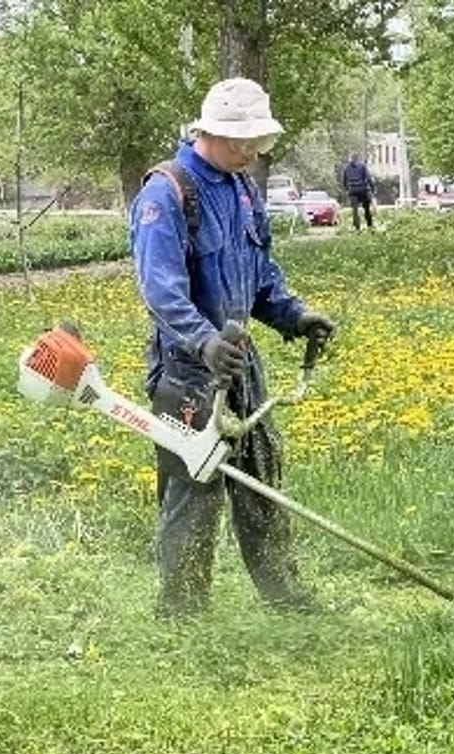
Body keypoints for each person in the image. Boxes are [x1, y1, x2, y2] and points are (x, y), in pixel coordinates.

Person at [129, 77, 335, 618]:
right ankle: (182, 613)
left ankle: (285, 597)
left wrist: (293, 314)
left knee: (262, 479)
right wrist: (203, 343)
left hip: (240, 360)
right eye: (241, 142)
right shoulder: (167, 192)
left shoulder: (242, 189)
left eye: (256, 143)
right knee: (193, 491)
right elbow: (160, 291)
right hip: (187, 368)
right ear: (210, 132)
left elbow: (261, 273)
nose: (250, 152)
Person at [342, 152, 375, 231]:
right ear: (357, 158)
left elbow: (344, 181)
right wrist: (372, 188)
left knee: (355, 210)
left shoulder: (346, 168)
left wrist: (348, 189)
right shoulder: (363, 166)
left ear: (350, 159)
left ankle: (357, 228)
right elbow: (368, 178)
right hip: (363, 190)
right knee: (366, 208)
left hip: (352, 190)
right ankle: (369, 226)